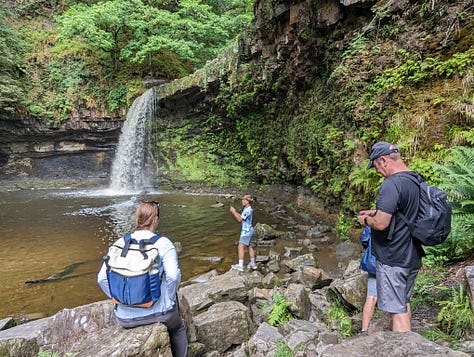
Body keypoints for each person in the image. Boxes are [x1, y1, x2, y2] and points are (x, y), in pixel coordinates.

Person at [97, 201, 188, 357]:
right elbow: (173, 277)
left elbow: (101, 279)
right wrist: (169, 299)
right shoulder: (163, 243)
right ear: (155, 219)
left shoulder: (120, 243)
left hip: (124, 317)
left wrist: (120, 299)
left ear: (136, 219)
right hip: (160, 313)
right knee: (178, 328)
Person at [357, 142, 424, 332]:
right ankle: (410, 344)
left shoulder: (391, 184)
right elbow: (404, 212)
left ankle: (404, 350)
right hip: (411, 254)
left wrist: (366, 220)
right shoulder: (415, 180)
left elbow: (381, 223)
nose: (377, 171)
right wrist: (375, 211)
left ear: (384, 160)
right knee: (403, 302)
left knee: (397, 312)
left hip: (394, 257)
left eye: (376, 166)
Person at [229, 194, 256, 271]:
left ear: (248, 201)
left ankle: (240, 266)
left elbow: (239, 219)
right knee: (249, 246)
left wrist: (233, 212)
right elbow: (241, 217)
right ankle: (253, 263)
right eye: (242, 199)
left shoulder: (248, 210)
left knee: (240, 246)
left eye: (244, 199)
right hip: (250, 231)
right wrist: (236, 212)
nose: (242, 201)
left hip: (246, 232)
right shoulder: (247, 208)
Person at [358, 225, 377, 335]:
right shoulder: (398, 221)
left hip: (374, 262)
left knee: (371, 296)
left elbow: (364, 240)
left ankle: (364, 330)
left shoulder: (373, 222)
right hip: (392, 264)